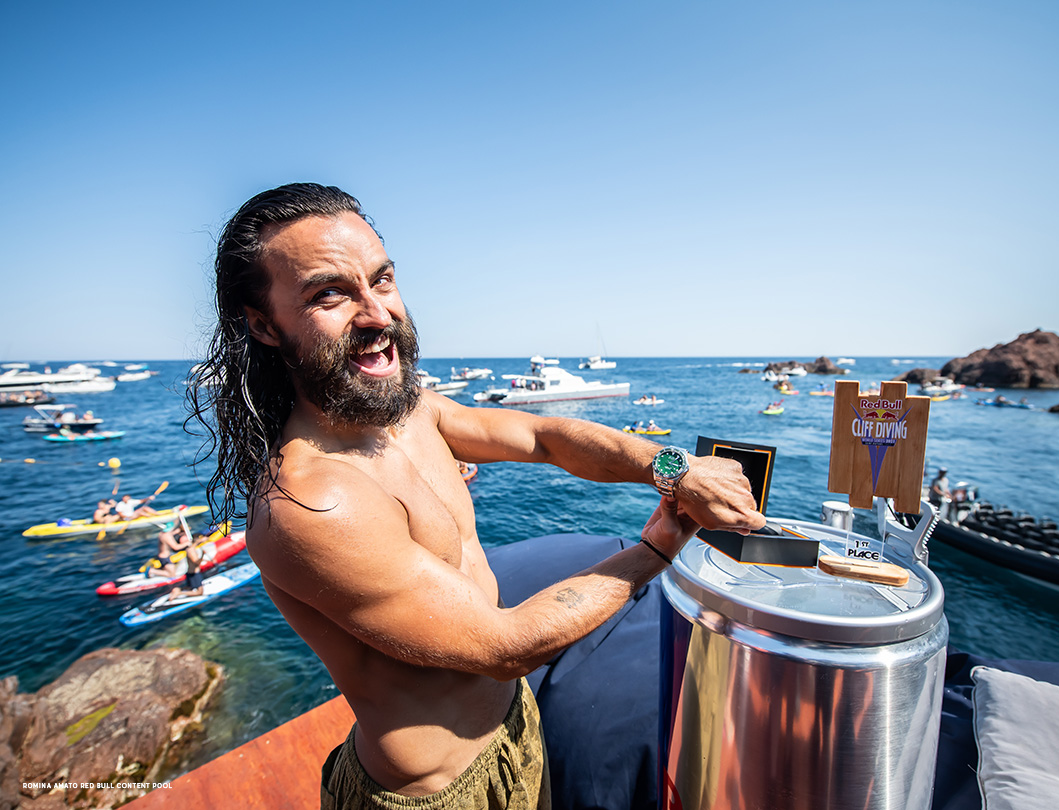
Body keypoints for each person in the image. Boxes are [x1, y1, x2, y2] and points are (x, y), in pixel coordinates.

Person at [188, 183, 763, 810]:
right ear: (264, 325)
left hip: (517, 733)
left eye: (381, 281)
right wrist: (664, 540)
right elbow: (503, 646)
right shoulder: (311, 503)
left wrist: (670, 468)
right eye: (330, 293)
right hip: (435, 793)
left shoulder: (413, 413)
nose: (378, 314)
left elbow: (540, 435)